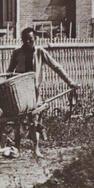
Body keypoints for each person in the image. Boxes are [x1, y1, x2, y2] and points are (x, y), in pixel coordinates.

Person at [7, 27, 78, 157]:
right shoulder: (17, 53)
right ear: (22, 40)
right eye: (25, 39)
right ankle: (17, 149)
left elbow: (56, 66)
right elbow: (9, 72)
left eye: (30, 39)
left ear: (35, 39)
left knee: (35, 120)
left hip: (34, 91)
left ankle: (36, 149)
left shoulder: (40, 52)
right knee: (18, 120)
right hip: (20, 91)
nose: (28, 42)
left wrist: (69, 82)